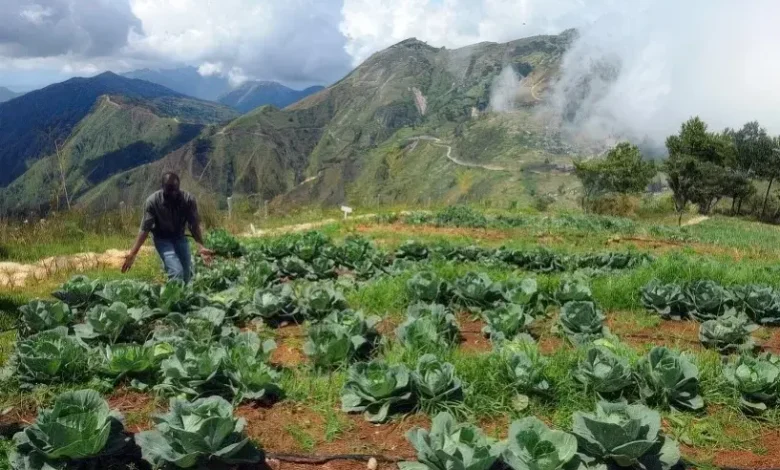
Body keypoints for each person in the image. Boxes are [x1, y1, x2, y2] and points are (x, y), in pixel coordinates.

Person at [121, 172, 214, 282]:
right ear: (162, 188)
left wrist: (201, 247)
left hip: (180, 237)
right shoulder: (153, 202)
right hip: (162, 240)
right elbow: (145, 230)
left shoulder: (188, 200)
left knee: (186, 275)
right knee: (176, 272)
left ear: (179, 188)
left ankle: (183, 298)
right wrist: (133, 254)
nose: (172, 195)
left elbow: (193, 225)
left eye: (175, 191)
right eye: (169, 192)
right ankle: (173, 297)